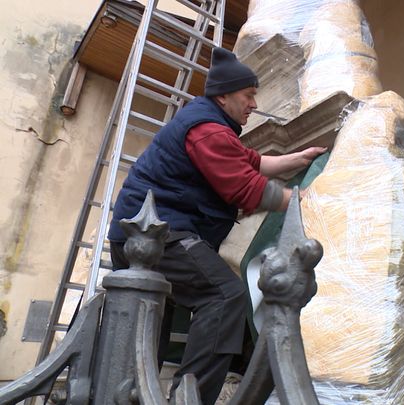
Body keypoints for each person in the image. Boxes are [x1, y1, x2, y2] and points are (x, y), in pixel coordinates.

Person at [108, 47, 326, 405]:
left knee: (151, 326)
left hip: (146, 234)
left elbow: (252, 162)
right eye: (249, 95)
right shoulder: (208, 130)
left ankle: (130, 395)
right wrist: (307, 202)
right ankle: (190, 398)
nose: (254, 103)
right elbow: (245, 188)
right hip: (159, 234)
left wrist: (297, 159)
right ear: (223, 95)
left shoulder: (213, 125)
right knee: (225, 296)